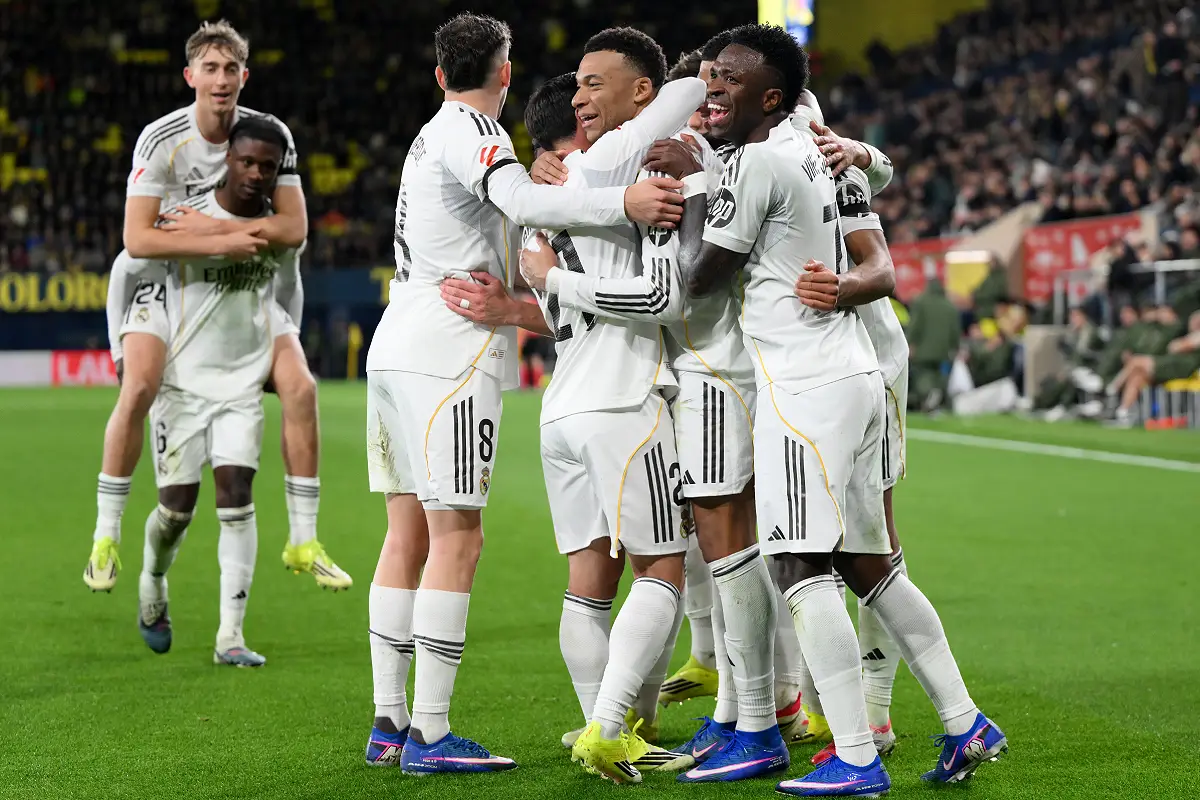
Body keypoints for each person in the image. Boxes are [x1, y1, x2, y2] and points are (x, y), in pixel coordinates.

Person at [662, 24, 1007, 794]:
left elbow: (700, 278)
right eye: (710, 78)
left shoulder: (754, 163)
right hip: (851, 374)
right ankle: (965, 722)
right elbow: (867, 191)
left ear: (773, 97)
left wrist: (685, 190)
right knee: (868, 564)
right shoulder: (812, 149)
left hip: (805, 389)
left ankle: (855, 755)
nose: (712, 90)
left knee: (797, 563)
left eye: (731, 81)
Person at [361, 12, 687, 775]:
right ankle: (431, 737)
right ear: (503, 73)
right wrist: (625, 205)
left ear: (439, 72)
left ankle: (390, 719)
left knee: (406, 533)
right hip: (448, 350)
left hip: (398, 340)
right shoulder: (473, 131)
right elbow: (531, 206)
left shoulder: (431, 133)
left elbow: (520, 211)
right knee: (456, 538)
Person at [84, 19, 350, 594]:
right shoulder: (161, 140)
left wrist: (227, 238)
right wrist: (219, 237)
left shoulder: (266, 134)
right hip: (167, 284)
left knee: (302, 388)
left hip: (243, 283)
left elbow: (295, 229)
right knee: (138, 386)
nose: (222, 78)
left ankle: (304, 539)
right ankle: (106, 535)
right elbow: (137, 240)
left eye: (231, 68)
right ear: (190, 76)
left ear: (245, 75)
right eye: (210, 67)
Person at [513, 28, 711, 784]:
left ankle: (607, 724)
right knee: (664, 568)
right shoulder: (604, 166)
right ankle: (607, 727)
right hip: (622, 399)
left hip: (560, 404)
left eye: (597, 84)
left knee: (587, 583)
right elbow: (689, 94)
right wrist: (673, 82)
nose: (585, 100)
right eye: (581, 90)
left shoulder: (543, 203)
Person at [120, 117, 300, 667]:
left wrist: (284, 348)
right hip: (182, 382)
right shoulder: (181, 219)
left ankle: (231, 636)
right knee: (176, 510)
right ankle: (153, 580)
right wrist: (119, 343)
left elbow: (289, 288)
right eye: (246, 162)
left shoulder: (279, 228)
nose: (255, 174)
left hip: (241, 384)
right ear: (227, 159)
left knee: (237, 494)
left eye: (267, 167)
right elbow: (127, 264)